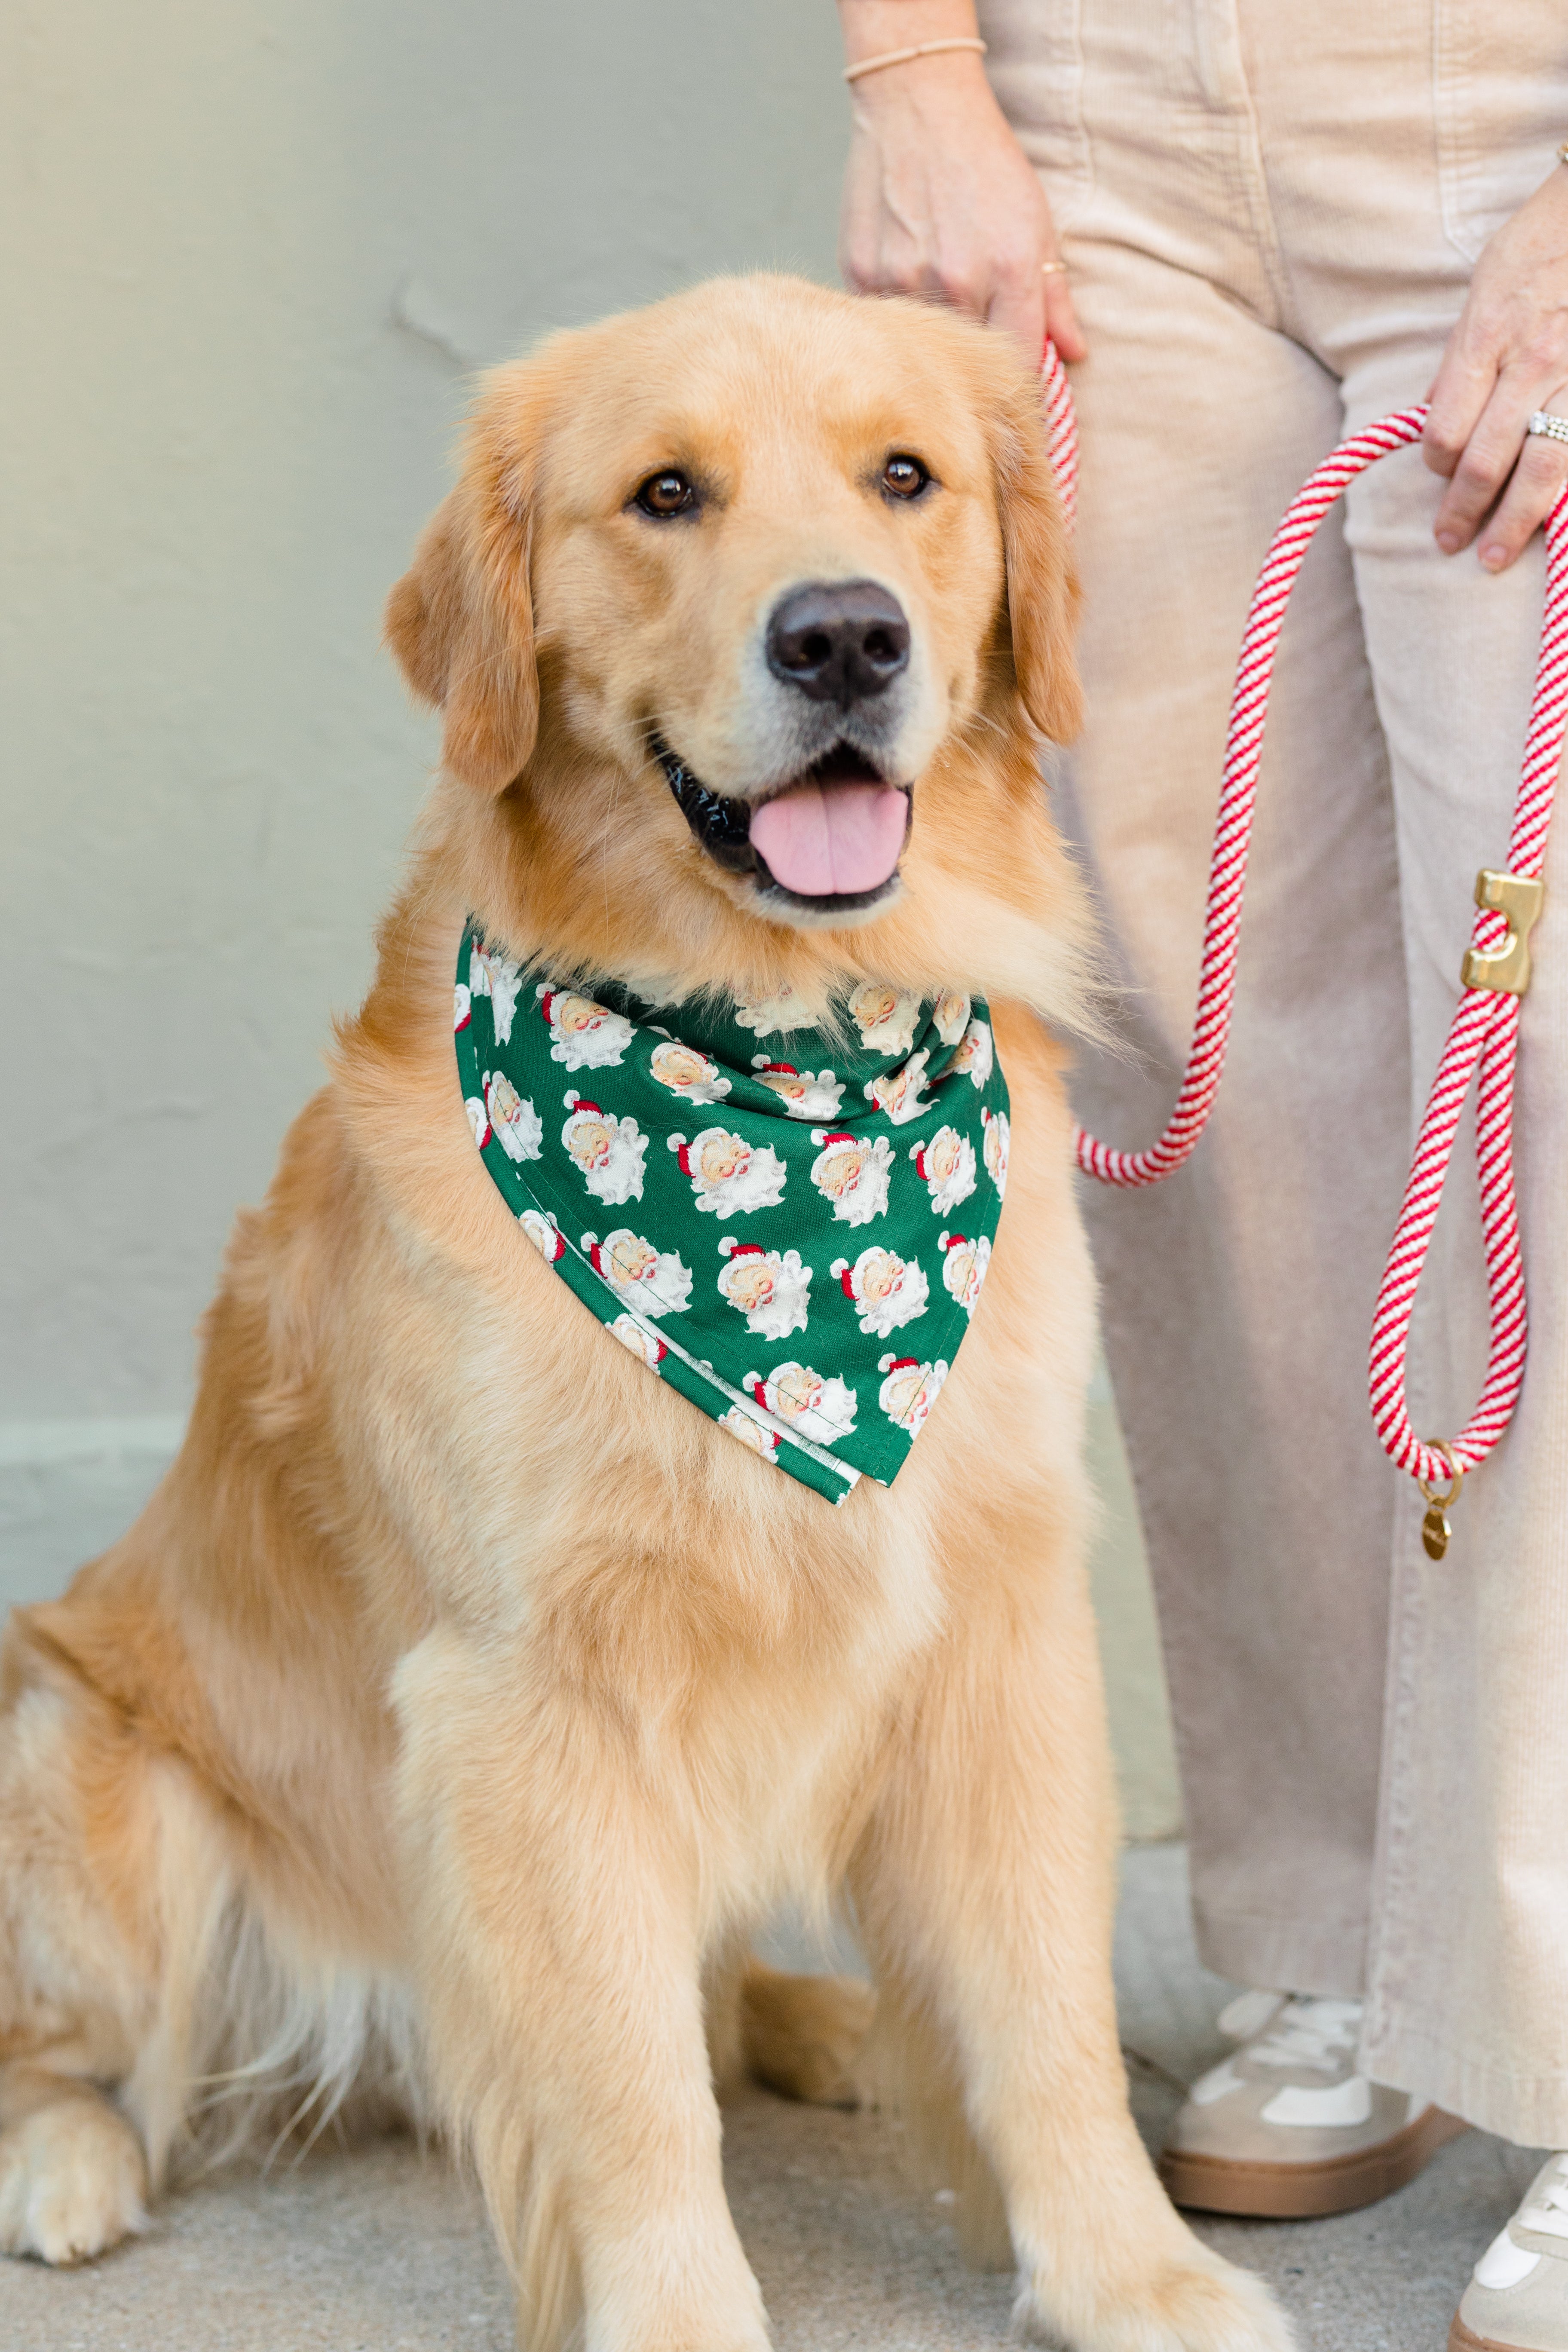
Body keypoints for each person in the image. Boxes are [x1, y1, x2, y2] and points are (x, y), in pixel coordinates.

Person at [834, 1, 1568, 2342]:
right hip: (1090, 115)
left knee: (1531, 1056)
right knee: (1193, 1030)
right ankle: (1350, 1947)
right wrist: (912, 67)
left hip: (1511, 94)